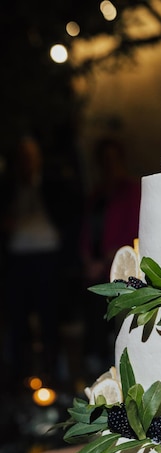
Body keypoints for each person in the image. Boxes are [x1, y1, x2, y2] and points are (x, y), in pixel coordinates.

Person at [1, 136, 63, 386]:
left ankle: (54, 376)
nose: (27, 162)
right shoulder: (8, 189)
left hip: (47, 257)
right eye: (23, 158)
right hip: (17, 260)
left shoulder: (51, 185)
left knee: (49, 317)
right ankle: (20, 378)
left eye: (31, 157)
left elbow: (67, 216)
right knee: (18, 320)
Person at [80, 136, 141, 377]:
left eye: (113, 160)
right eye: (105, 160)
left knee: (117, 326)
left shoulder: (131, 191)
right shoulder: (97, 195)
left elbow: (133, 230)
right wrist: (87, 259)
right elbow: (87, 232)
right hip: (93, 273)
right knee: (94, 325)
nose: (109, 165)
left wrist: (105, 260)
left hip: (117, 271)